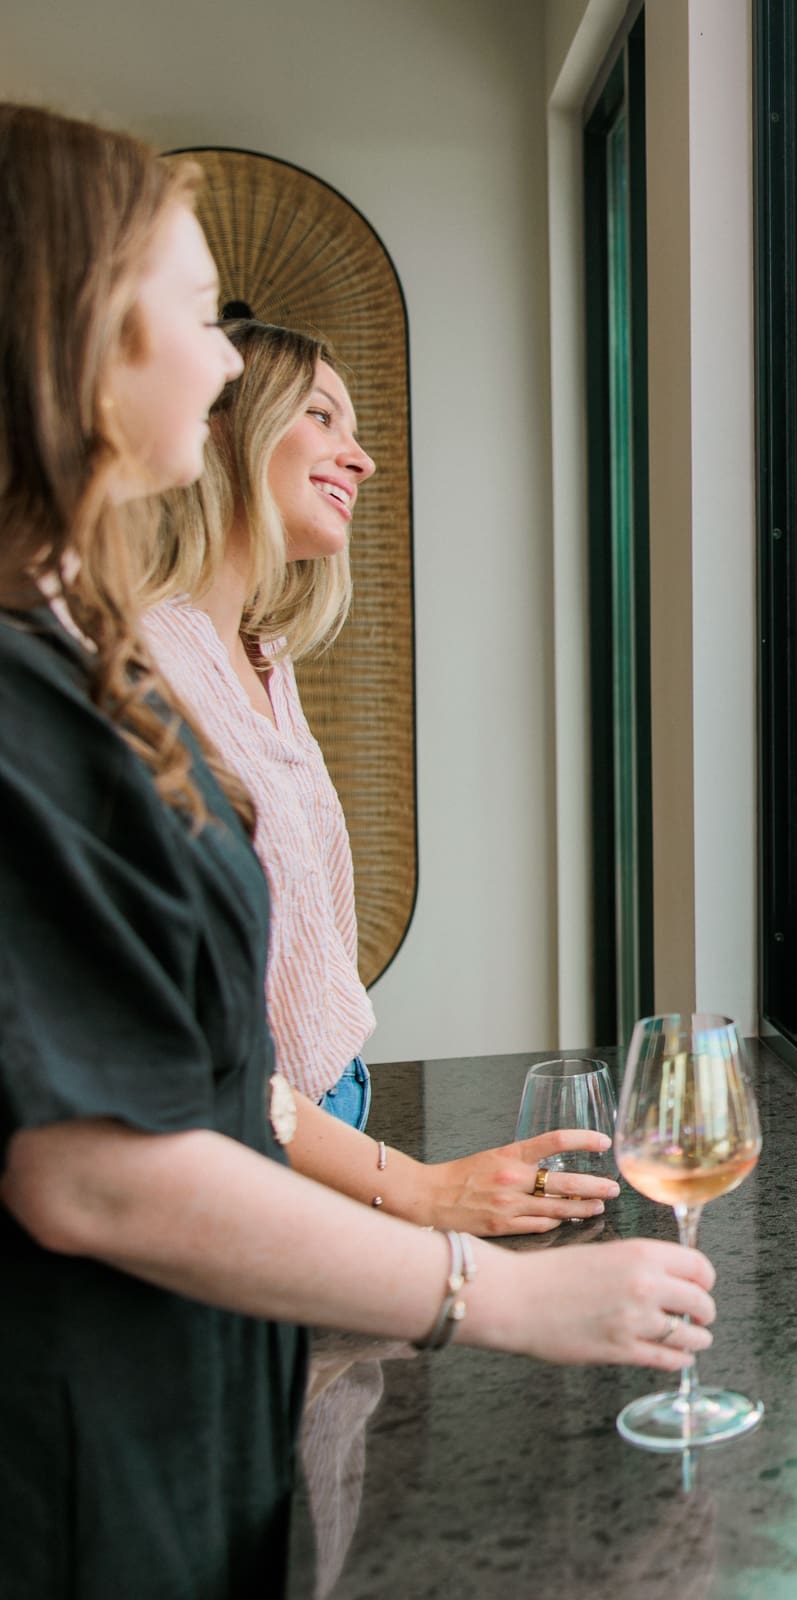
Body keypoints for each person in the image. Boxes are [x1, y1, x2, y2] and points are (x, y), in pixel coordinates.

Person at [0, 105, 712, 1595]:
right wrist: (500, 1294)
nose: (219, 359)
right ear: (72, 332)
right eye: (196, 315)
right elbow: (100, 1172)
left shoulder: (72, 658)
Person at [138, 319, 608, 1235]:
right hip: (250, 1144)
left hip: (329, 1113)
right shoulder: (150, 658)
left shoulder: (259, 653)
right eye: (322, 417)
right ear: (226, 430)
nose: (361, 460)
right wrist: (419, 1188)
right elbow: (184, 1026)